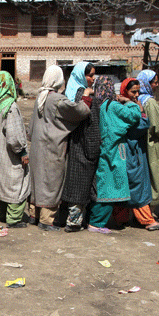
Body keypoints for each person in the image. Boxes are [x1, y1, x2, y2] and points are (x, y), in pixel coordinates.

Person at [29, 65, 90, 231]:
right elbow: (79, 111)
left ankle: (34, 215)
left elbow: (31, 127)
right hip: (52, 147)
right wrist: (85, 99)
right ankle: (46, 220)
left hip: (37, 147)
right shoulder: (56, 99)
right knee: (51, 182)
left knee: (38, 181)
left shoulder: (39, 97)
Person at [113, 78, 159, 231]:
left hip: (132, 152)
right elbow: (142, 126)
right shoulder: (125, 108)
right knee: (136, 185)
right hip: (131, 153)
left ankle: (122, 219)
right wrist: (139, 109)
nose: (136, 95)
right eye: (133, 92)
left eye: (138, 91)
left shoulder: (126, 105)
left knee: (128, 184)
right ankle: (146, 220)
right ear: (125, 92)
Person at [88, 77, 141, 234]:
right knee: (109, 188)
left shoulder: (96, 104)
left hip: (103, 150)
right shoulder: (113, 106)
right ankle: (96, 223)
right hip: (113, 151)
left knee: (103, 185)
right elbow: (134, 116)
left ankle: (96, 221)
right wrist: (130, 102)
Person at [0, 71, 30, 228]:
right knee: (16, 183)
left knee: (0, 182)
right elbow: (14, 136)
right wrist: (22, 152)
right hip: (10, 154)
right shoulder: (10, 106)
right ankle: (13, 218)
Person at [61, 62, 97, 232]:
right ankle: (73, 222)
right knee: (78, 184)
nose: (93, 79)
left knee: (76, 182)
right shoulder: (80, 94)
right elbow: (81, 116)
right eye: (90, 75)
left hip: (75, 144)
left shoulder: (73, 92)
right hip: (81, 144)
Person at [137, 70, 159, 210]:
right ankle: (152, 209)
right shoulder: (150, 102)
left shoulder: (138, 100)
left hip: (142, 142)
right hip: (153, 144)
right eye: (154, 82)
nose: (157, 85)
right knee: (155, 176)